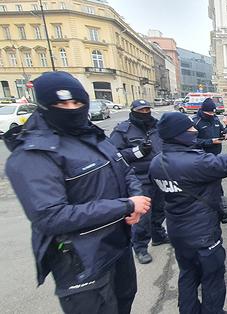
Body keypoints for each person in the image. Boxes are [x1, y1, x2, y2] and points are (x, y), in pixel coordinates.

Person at [4, 71, 150, 313]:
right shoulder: (33, 154)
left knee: (124, 300)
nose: (71, 109)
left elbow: (124, 170)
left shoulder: (93, 135)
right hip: (80, 257)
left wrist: (136, 205)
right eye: (61, 104)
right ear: (43, 106)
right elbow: (51, 216)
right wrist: (125, 206)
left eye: (77, 102)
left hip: (117, 244)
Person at [149, 111, 227, 314]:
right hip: (203, 235)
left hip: (177, 230)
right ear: (178, 134)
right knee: (212, 278)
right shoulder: (196, 163)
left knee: (188, 274)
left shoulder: (157, 162)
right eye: (190, 128)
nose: (195, 130)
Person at [110, 99, 169, 264]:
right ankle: (141, 247)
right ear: (133, 111)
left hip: (160, 174)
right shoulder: (123, 130)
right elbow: (114, 155)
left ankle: (158, 235)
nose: (145, 113)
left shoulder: (158, 126)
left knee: (160, 209)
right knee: (143, 215)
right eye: (141, 110)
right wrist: (136, 152)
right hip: (139, 178)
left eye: (147, 110)